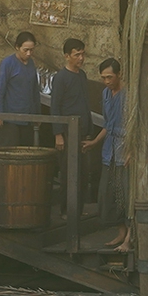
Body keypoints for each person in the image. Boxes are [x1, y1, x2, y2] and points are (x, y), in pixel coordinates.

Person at [51, 38, 98, 212]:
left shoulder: (82, 75)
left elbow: (85, 103)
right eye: (76, 55)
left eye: (82, 54)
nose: (81, 58)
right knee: (69, 173)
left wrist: (89, 130)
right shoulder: (61, 78)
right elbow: (55, 106)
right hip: (67, 131)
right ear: (67, 56)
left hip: (83, 130)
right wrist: (58, 134)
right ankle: (66, 210)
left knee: (83, 173)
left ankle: (78, 208)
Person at [97, 57, 129, 251]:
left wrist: (131, 150)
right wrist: (94, 141)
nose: (107, 81)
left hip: (125, 147)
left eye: (110, 77)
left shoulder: (129, 95)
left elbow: (135, 125)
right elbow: (107, 124)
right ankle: (121, 232)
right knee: (110, 193)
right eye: (103, 78)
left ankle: (129, 238)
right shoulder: (106, 94)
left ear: (119, 75)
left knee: (126, 193)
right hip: (109, 149)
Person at [0, 31, 42, 146]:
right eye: (25, 50)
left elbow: (35, 90)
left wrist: (37, 113)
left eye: (31, 50)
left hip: (27, 116)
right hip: (10, 117)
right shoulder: (7, 63)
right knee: (10, 152)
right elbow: (1, 89)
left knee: (26, 151)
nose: (29, 53)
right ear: (17, 47)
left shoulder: (31, 63)